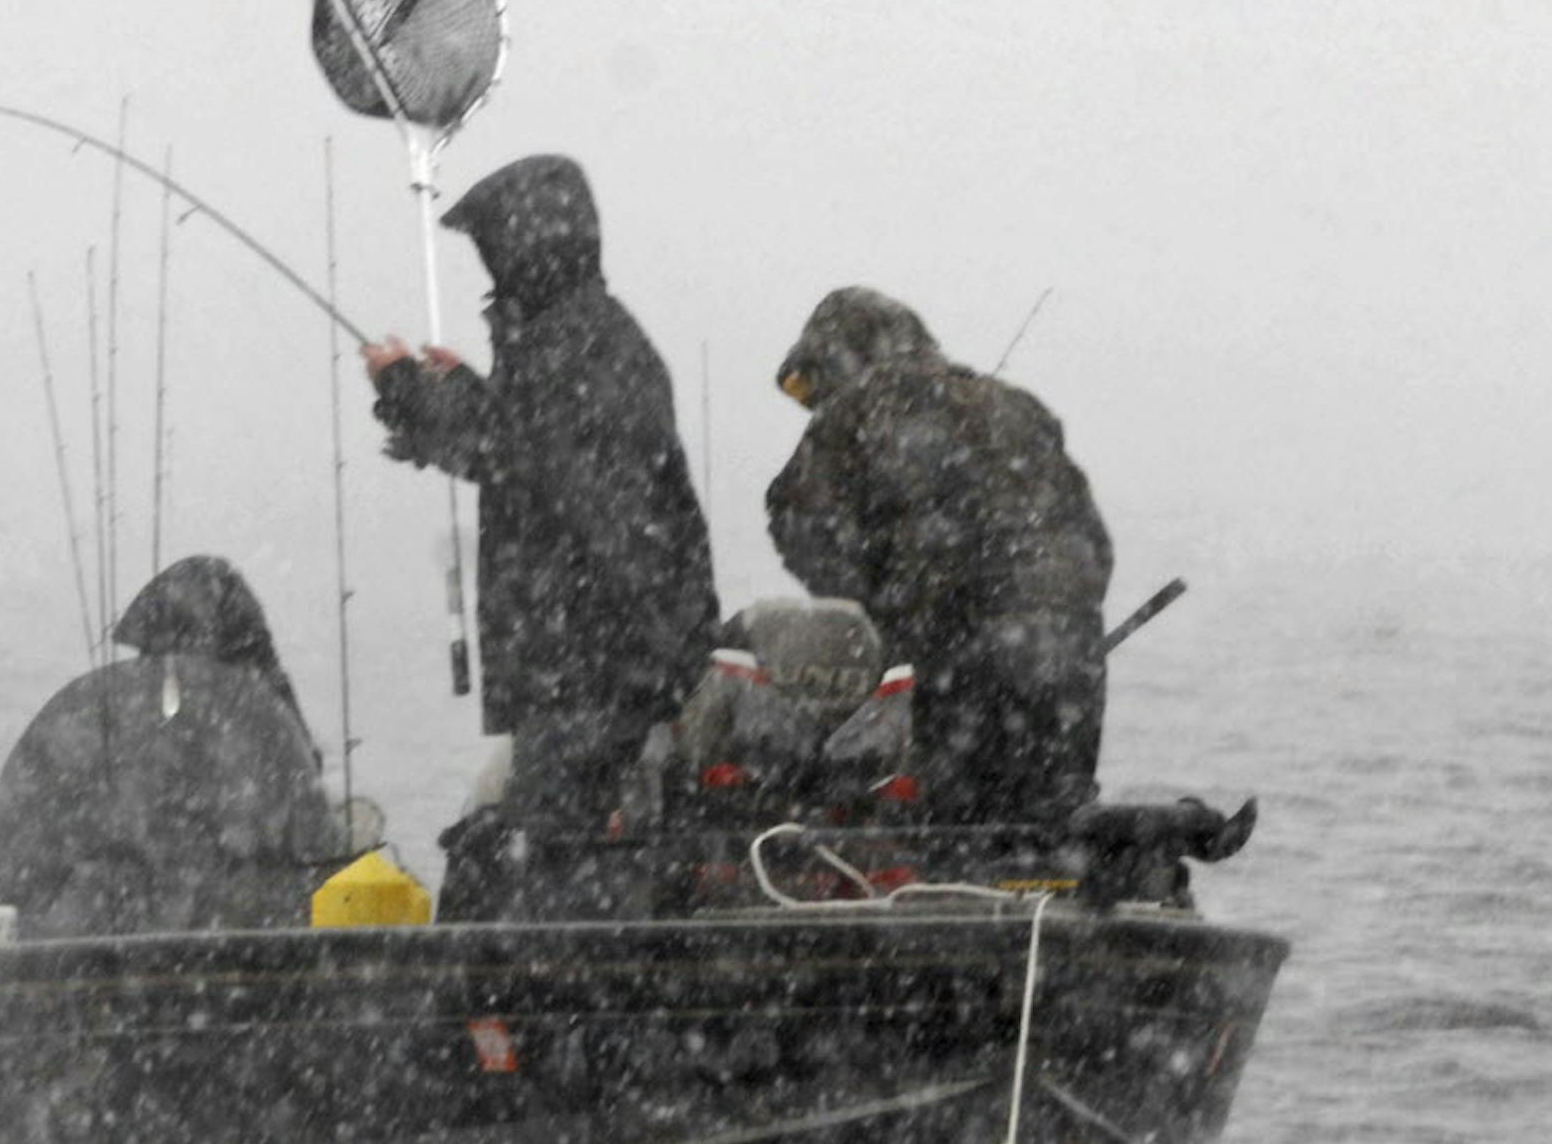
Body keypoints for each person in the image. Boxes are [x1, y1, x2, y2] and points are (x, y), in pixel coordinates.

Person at [361, 154, 720, 826]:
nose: (491, 271)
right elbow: (532, 449)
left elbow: (519, 456)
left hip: (595, 672)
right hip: (608, 668)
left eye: (494, 248)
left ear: (524, 250)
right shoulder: (587, 341)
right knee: (563, 855)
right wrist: (463, 390)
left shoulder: (574, 348)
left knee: (552, 867)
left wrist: (406, 388)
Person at [764, 288, 1112, 824]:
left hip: (956, 657)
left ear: (835, 355)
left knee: (947, 824)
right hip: (1069, 663)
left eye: (810, 384)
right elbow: (1093, 547)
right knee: (1047, 819)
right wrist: (1057, 621)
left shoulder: (860, 403)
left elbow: (795, 515)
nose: (813, 402)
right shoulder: (1021, 407)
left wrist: (875, 613)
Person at [0, 555, 348, 939]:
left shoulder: (256, 716)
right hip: (208, 935)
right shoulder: (250, 713)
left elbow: (300, 825)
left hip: (155, 930)